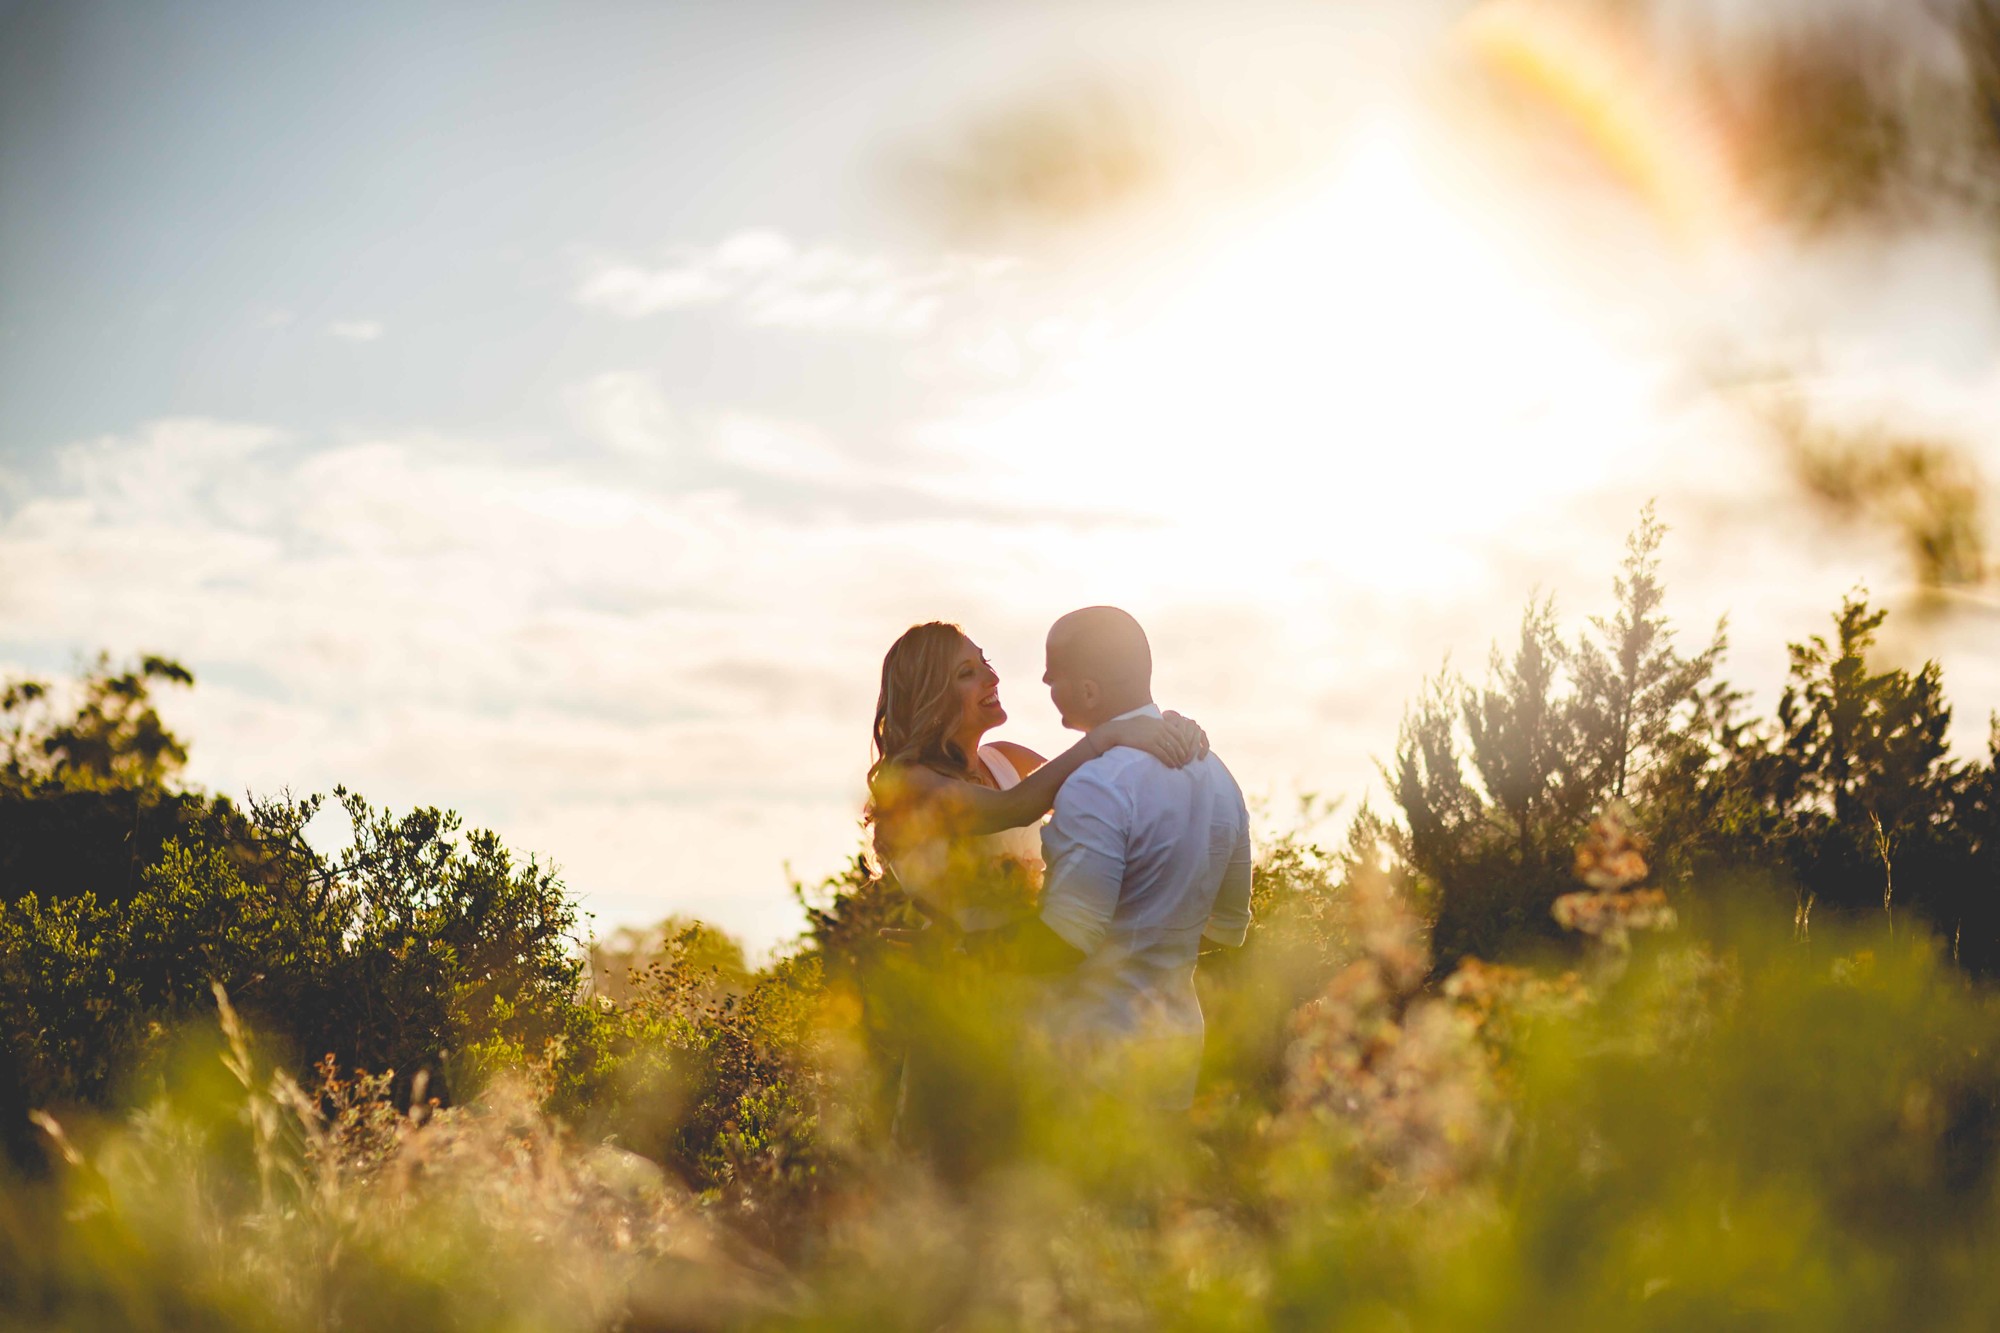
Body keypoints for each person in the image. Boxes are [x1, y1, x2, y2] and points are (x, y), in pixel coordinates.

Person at [973, 606, 1251, 1110]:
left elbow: (1064, 942)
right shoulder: (1220, 779)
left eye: (1053, 671)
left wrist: (959, 953)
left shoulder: (1096, 786)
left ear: (1088, 692)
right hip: (1176, 1058)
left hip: (1087, 1064)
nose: (1044, 681)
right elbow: (1227, 929)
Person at [865, 620, 1207, 936]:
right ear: (930, 697)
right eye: (967, 673)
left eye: (985, 662)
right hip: (971, 974)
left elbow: (1107, 790)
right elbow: (1013, 807)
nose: (992, 678)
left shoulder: (1007, 758)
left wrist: (1164, 727)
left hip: (1044, 957)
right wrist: (1107, 735)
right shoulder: (911, 783)